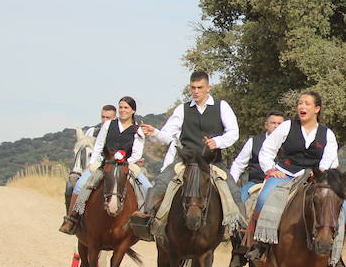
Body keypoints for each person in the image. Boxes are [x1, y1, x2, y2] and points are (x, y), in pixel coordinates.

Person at [244, 92, 346, 267]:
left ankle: (335, 255)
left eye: (307, 103)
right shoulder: (286, 126)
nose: (302, 107)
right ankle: (261, 244)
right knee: (264, 198)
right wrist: (271, 169)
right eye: (300, 103)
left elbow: (330, 160)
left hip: (315, 178)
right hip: (286, 174)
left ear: (317, 109)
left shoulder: (327, 134)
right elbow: (267, 150)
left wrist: (321, 173)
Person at [132, 70, 240, 230]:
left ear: (208, 88)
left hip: (212, 162)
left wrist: (217, 142)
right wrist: (154, 132)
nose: (196, 91)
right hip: (185, 161)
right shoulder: (182, 109)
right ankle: (148, 222)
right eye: (193, 88)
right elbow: (167, 135)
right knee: (160, 184)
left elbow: (233, 132)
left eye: (200, 88)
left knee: (234, 192)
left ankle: (240, 232)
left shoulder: (221, 106)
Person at [60, 96, 148, 234]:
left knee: (147, 187)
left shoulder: (138, 130)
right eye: (120, 107)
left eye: (126, 107)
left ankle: (145, 224)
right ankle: (72, 218)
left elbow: (137, 153)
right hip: (105, 163)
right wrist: (94, 163)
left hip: (127, 164)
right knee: (80, 185)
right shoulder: (108, 125)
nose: (122, 110)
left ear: (133, 111)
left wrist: (124, 163)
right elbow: (99, 146)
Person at [230, 112, 286, 204]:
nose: (276, 126)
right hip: (256, 183)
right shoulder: (254, 141)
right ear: (266, 125)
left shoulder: (290, 143)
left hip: (283, 184)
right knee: (238, 202)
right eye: (273, 123)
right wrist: (231, 184)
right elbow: (238, 165)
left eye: (279, 124)